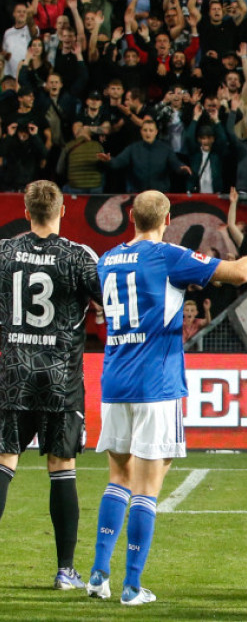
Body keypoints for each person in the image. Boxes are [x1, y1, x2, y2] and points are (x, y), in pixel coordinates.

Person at [87, 190, 247, 605]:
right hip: (155, 384)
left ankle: (97, 575)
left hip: (115, 381)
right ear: (165, 218)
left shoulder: (107, 260)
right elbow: (233, 273)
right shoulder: (168, 255)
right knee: (147, 487)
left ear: (131, 218)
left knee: (117, 479)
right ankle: (131, 585)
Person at [0, 181, 100, 591]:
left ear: (26, 212)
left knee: (5, 463)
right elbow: (107, 301)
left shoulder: (4, 253)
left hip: (14, 376)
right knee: (62, 468)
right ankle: (65, 571)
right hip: (60, 380)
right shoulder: (78, 256)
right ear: (62, 212)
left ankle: (65, 570)